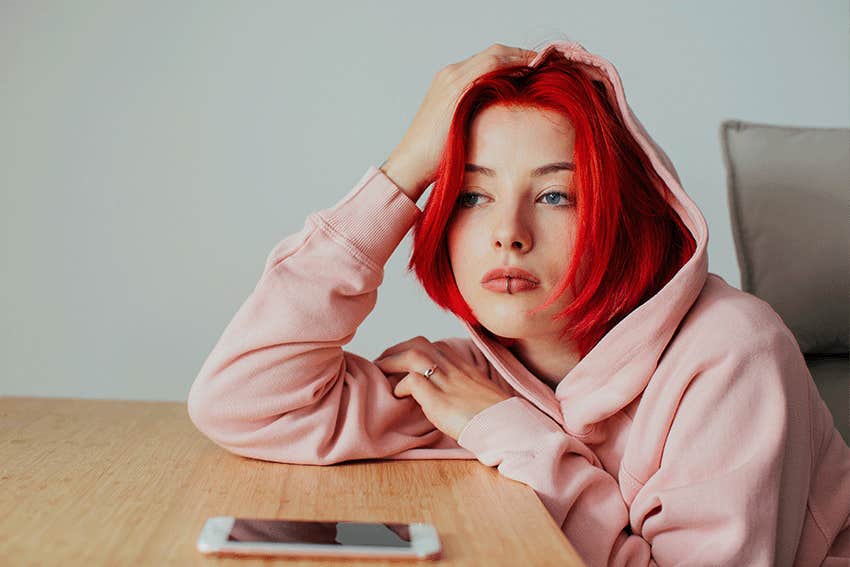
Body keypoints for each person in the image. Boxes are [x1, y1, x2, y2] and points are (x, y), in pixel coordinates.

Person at [187, 40, 850, 565]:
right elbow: (244, 398)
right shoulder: (471, 379)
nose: (508, 231)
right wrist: (403, 169)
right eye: (471, 195)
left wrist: (510, 432)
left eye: (557, 195)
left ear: (626, 215)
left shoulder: (732, 353)